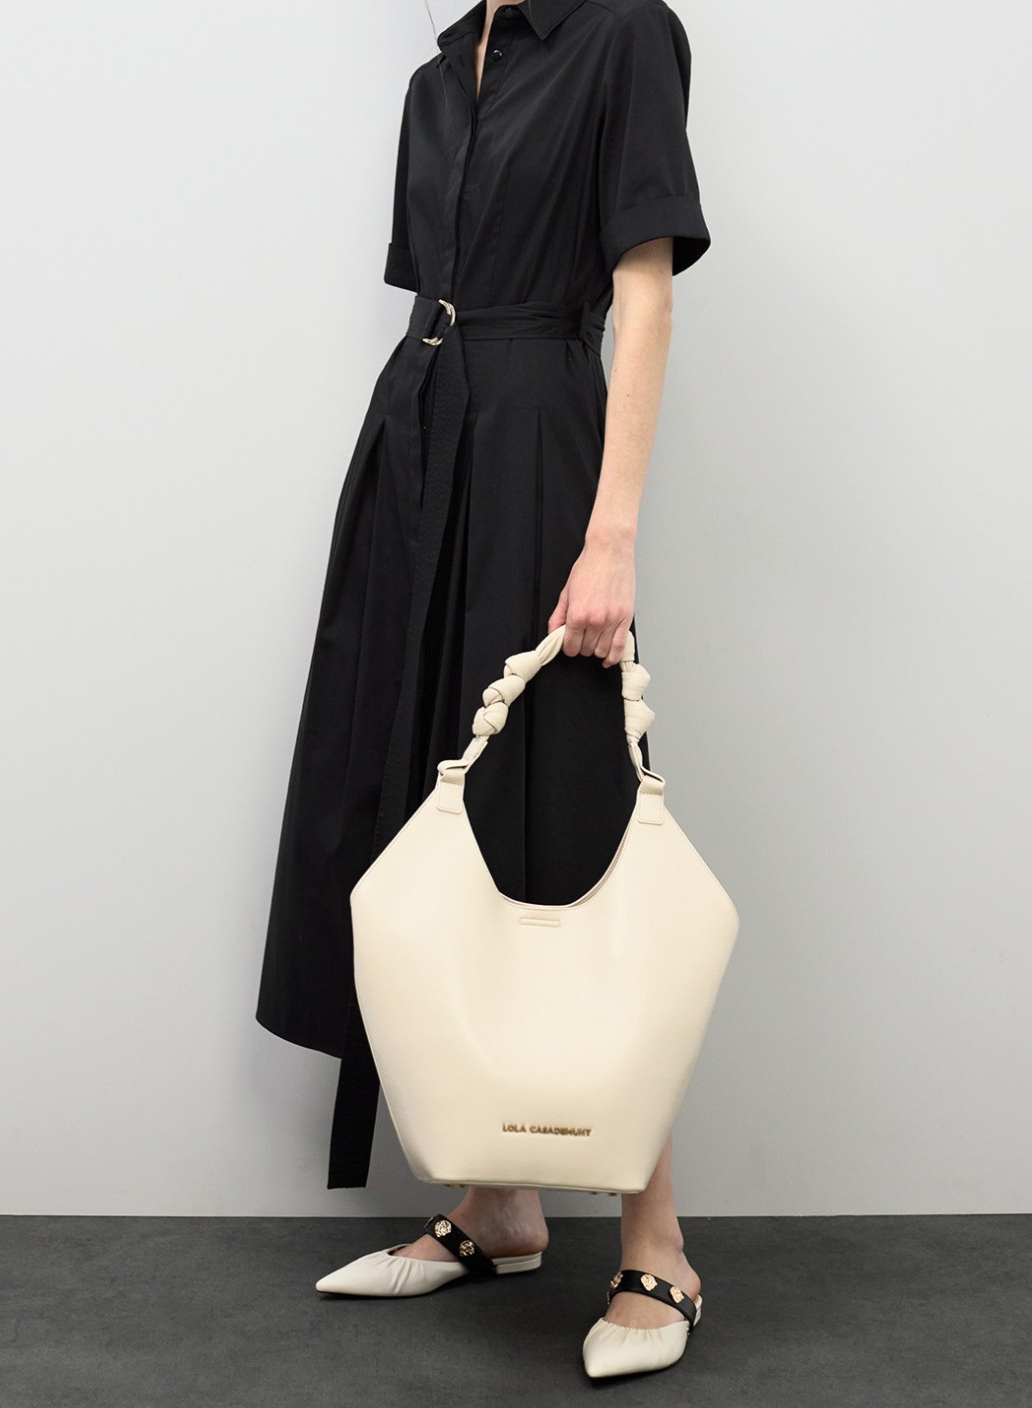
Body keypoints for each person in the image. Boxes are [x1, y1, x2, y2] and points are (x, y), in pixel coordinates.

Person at [256, 0, 712, 1377]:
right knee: (420, 801)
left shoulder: (624, 33)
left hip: (538, 449)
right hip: (418, 441)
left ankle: (658, 1244)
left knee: (566, 815)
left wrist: (610, 533)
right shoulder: (432, 76)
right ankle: (496, 1202)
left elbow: (643, 294)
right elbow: (435, 289)